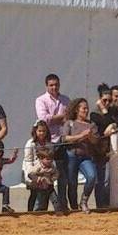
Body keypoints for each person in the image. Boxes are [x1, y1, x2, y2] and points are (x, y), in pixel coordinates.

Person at [35, 73, 70, 211]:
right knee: (43, 173)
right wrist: (62, 117)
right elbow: (44, 119)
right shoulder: (40, 100)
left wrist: (56, 118)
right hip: (46, 142)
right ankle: (40, 207)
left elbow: (70, 117)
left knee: (61, 174)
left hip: (61, 140)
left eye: (56, 84)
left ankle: (62, 204)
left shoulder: (66, 99)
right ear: (46, 86)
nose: (54, 87)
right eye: (51, 85)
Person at [62, 98, 99, 214]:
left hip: (85, 156)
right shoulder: (70, 123)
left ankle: (84, 200)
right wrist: (81, 136)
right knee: (72, 183)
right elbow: (64, 138)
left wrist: (90, 137)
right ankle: (73, 206)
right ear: (77, 110)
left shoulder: (91, 125)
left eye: (87, 108)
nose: (86, 110)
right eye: (84, 108)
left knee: (92, 176)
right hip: (72, 154)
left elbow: (96, 141)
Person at [89, 83, 117, 209]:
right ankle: (101, 205)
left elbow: (116, 122)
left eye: (109, 101)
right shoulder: (94, 114)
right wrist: (106, 113)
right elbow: (106, 122)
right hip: (99, 150)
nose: (107, 103)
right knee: (100, 179)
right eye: (104, 100)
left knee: (111, 179)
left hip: (113, 149)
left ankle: (109, 202)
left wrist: (111, 125)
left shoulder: (114, 110)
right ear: (100, 100)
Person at [23, 120, 53, 211]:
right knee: (34, 193)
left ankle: (44, 210)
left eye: (44, 131)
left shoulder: (49, 144)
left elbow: (51, 158)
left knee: (46, 191)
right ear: (35, 131)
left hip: (45, 171)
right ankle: (30, 211)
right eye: (39, 131)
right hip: (33, 171)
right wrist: (31, 174)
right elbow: (28, 159)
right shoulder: (30, 143)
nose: (42, 133)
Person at [26, 147, 59, 212]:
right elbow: (30, 174)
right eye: (47, 159)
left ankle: (58, 210)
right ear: (41, 159)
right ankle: (37, 212)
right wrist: (37, 178)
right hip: (39, 187)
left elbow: (56, 174)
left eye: (51, 159)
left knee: (55, 199)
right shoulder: (38, 166)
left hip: (49, 186)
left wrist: (51, 179)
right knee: (39, 201)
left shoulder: (52, 166)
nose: (50, 161)